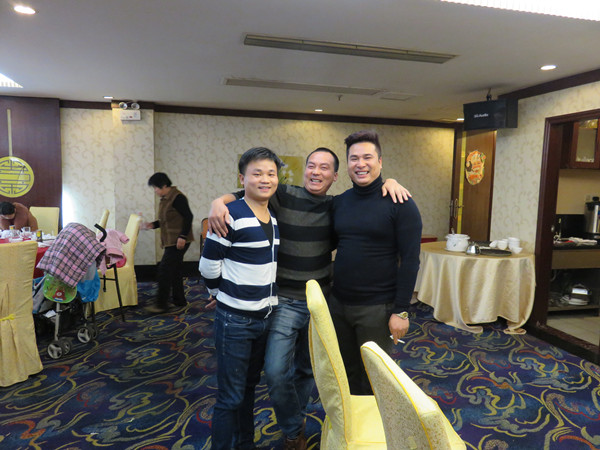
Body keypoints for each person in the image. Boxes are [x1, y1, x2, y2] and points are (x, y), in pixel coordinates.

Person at [208, 147, 410, 449]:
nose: (316, 172)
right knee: (276, 371)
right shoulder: (283, 194)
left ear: (335, 176)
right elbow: (244, 194)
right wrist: (217, 202)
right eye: (311, 165)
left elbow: (367, 198)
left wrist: (389, 181)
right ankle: (293, 428)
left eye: (324, 168)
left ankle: (297, 426)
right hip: (285, 302)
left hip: (322, 302)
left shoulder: (337, 206)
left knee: (307, 369)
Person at [200, 147, 282, 450]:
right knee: (230, 397)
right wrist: (219, 294)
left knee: (248, 390)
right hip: (235, 320)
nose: (265, 179)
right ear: (242, 178)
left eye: (271, 173)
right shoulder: (230, 214)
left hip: (264, 319)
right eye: (257, 173)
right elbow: (208, 266)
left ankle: (245, 444)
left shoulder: (272, 217)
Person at [330, 130, 422, 396]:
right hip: (338, 304)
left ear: (380, 162)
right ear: (347, 165)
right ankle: (350, 422)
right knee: (344, 371)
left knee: (373, 377)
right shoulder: (340, 202)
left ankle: (374, 423)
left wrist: (401, 311)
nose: (360, 164)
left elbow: (410, 261)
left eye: (367, 157)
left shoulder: (400, 203)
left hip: (377, 308)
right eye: (354, 158)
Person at [141, 173, 194, 313]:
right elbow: (166, 220)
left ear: (164, 186)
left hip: (179, 240)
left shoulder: (178, 197)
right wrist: (152, 225)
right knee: (175, 270)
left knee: (164, 270)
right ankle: (179, 300)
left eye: (156, 188)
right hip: (172, 240)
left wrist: (183, 236)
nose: (155, 191)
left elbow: (188, 217)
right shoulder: (165, 199)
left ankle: (161, 304)